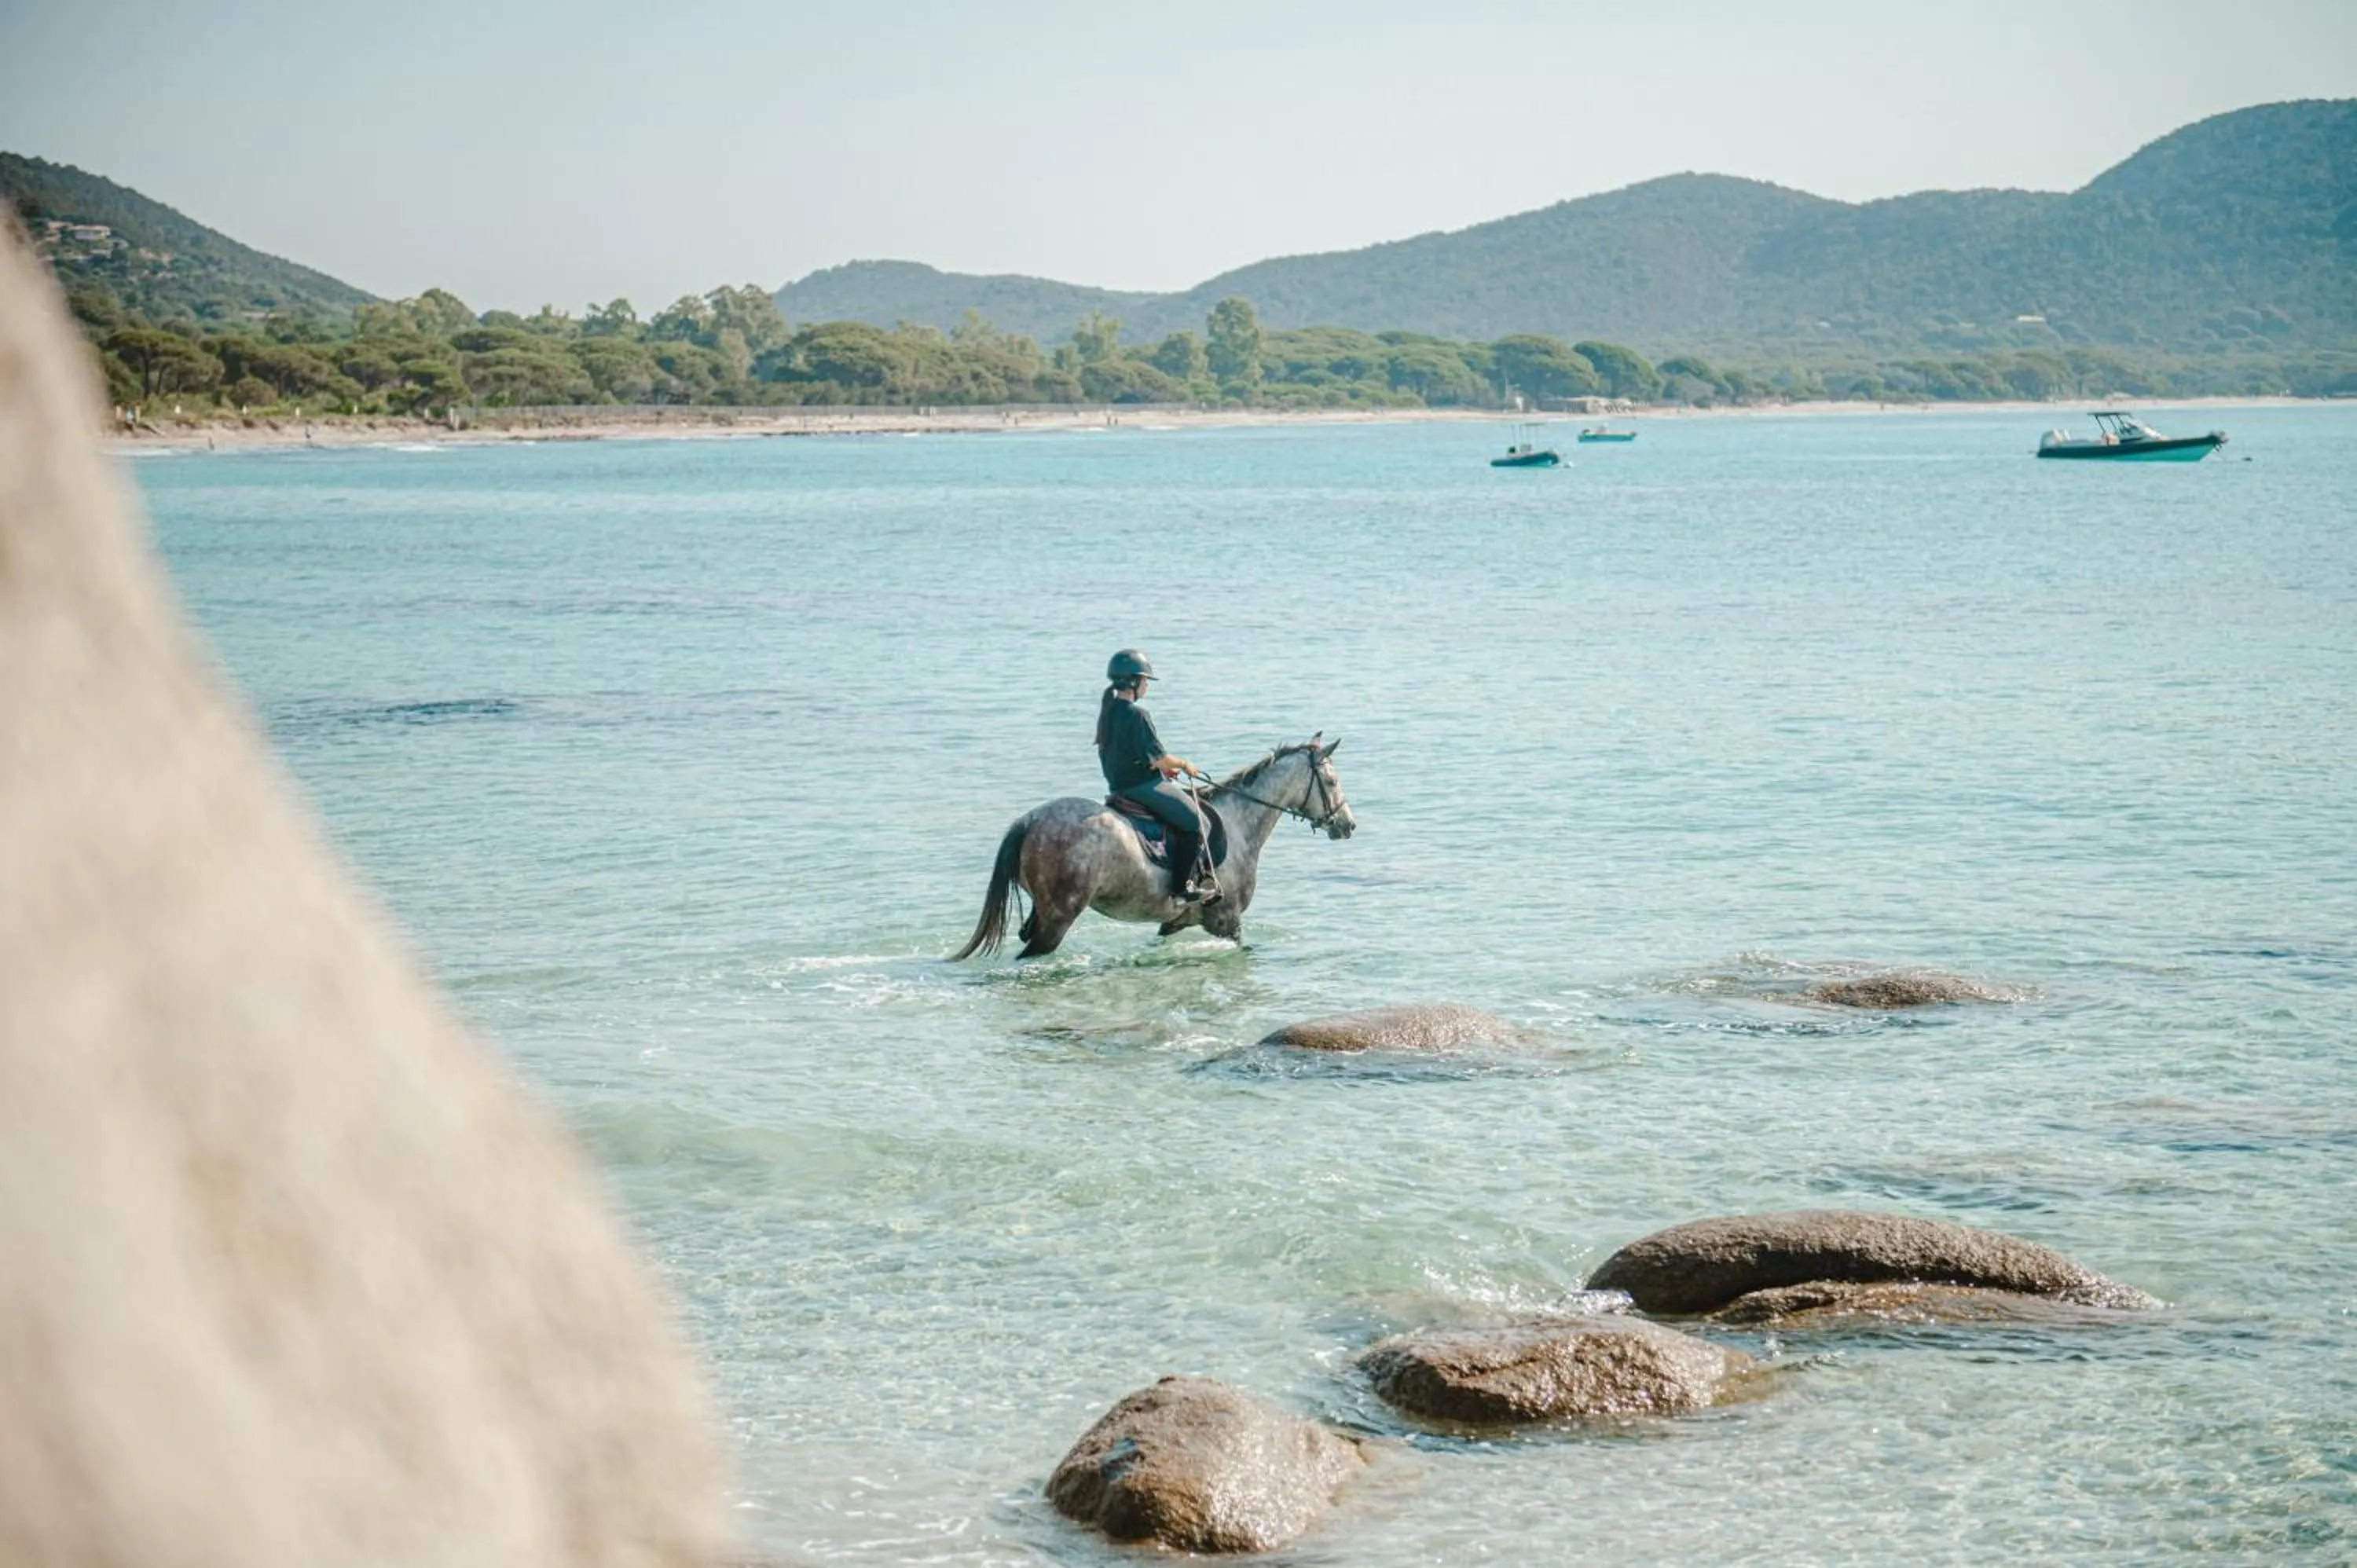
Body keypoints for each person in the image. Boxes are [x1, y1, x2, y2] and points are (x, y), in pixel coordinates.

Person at [1096, 649, 1217, 903]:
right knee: (1197, 823)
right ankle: (1181, 888)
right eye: (1145, 681)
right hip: (1142, 786)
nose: (1147, 686)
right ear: (1133, 682)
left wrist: (1160, 768)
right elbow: (1160, 757)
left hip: (1118, 786)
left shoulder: (1109, 712)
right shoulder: (1137, 714)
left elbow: (1129, 753)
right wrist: (1184, 765)